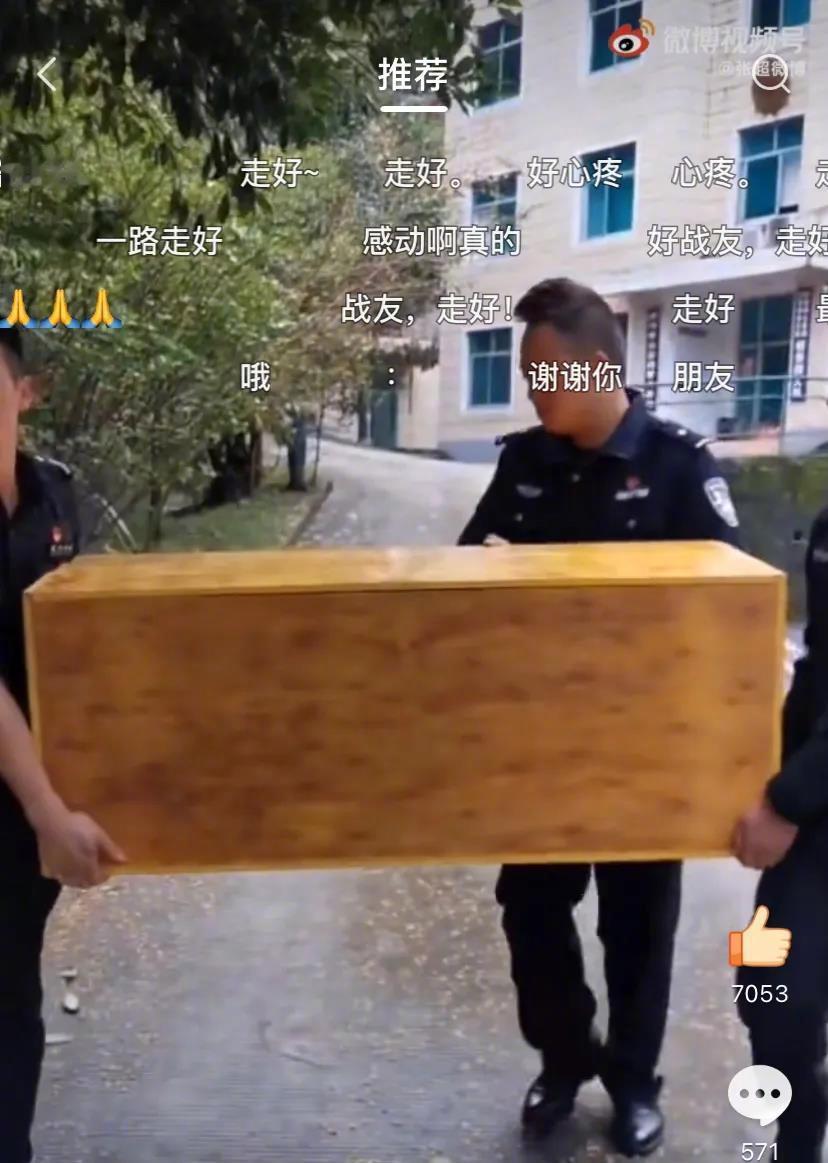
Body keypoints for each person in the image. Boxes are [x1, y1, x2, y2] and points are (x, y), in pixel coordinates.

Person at [457, 277, 740, 1156]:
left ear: (595, 367)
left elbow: (730, 610)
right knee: (531, 910)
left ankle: (633, 1080)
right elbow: (464, 574)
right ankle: (564, 1054)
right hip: (539, 743)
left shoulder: (679, 466)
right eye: (526, 375)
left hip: (643, 746)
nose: (532, 391)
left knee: (638, 924)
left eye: (544, 373)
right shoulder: (524, 464)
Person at [0, 327, 125, 1163]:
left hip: (24, 806)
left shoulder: (55, 497)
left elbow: (86, 640)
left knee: (13, 997)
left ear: (25, 393)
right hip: (25, 797)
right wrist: (49, 809)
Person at [732, 506, 828, 1163]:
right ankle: (795, 1143)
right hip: (815, 819)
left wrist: (786, 801)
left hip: (806, 800)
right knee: (769, 994)